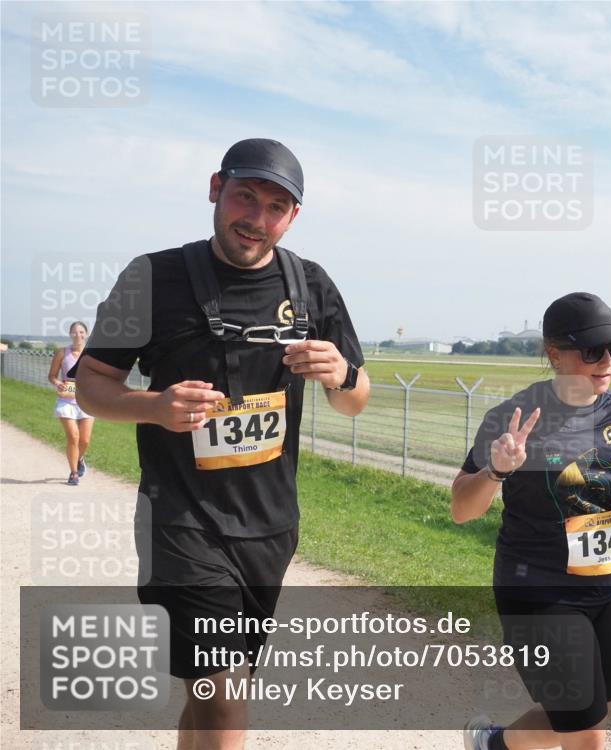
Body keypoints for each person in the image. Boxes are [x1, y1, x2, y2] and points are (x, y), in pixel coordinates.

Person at [75, 138, 370, 750]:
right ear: (216, 188)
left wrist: (339, 373)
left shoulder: (311, 285)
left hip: (269, 525)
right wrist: (154, 407)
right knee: (225, 693)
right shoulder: (153, 277)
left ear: (292, 217)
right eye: (245, 197)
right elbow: (92, 386)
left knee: (214, 694)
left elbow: (354, 397)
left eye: (275, 207)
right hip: (182, 521)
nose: (255, 219)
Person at [452, 292, 611, 750]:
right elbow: (461, 509)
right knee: (585, 727)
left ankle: (495, 745)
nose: (608, 361)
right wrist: (496, 471)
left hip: (605, 585)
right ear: (553, 353)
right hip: (536, 589)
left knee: (599, 707)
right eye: (593, 350)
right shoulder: (512, 418)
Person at [48, 320, 94, 485]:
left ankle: (80, 459)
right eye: (75, 332)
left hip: (87, 401)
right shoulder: (62, 353)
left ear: (86, 334)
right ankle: (74, 473)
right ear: (70, 334)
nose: (78, 335)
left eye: (81, 332)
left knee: (85, 440)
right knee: (73, 437)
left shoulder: (91, 354)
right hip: (66, 400)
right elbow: (51, 376)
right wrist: (57, 383)